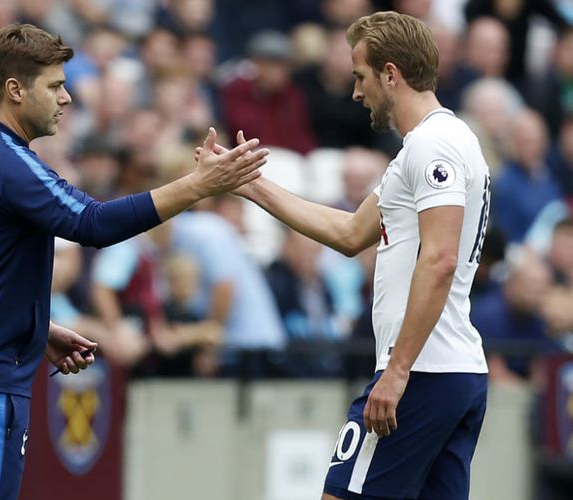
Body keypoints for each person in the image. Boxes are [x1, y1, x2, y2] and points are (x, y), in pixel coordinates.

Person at [0, 23, 268, 500]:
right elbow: (92, 224)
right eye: (54, 86)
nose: (66, 98)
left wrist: (36, 327)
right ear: (14, 90)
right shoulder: (8, 162)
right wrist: (197, 186)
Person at [210, 11, 490, 499]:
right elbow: (349, 231)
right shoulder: (435, 145)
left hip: (422, 371)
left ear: (390, 74)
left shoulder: (433, 146)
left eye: (360, 77)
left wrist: (397, 370)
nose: (356, 92)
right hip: (454, 370)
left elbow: (440, 259)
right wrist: (252, 186)